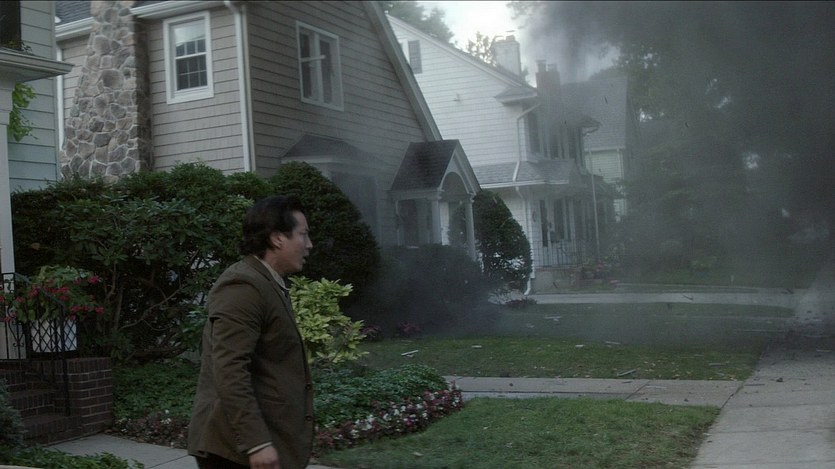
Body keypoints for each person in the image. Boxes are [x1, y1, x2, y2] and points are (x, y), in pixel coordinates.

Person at [188, 195, 314, 469]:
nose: (309, 244)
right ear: (277, 238)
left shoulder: (267, 282)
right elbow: (229, 368)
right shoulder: (243, 286)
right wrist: (256, 442)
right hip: (232, 451)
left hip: (254, 444)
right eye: (303, 235)